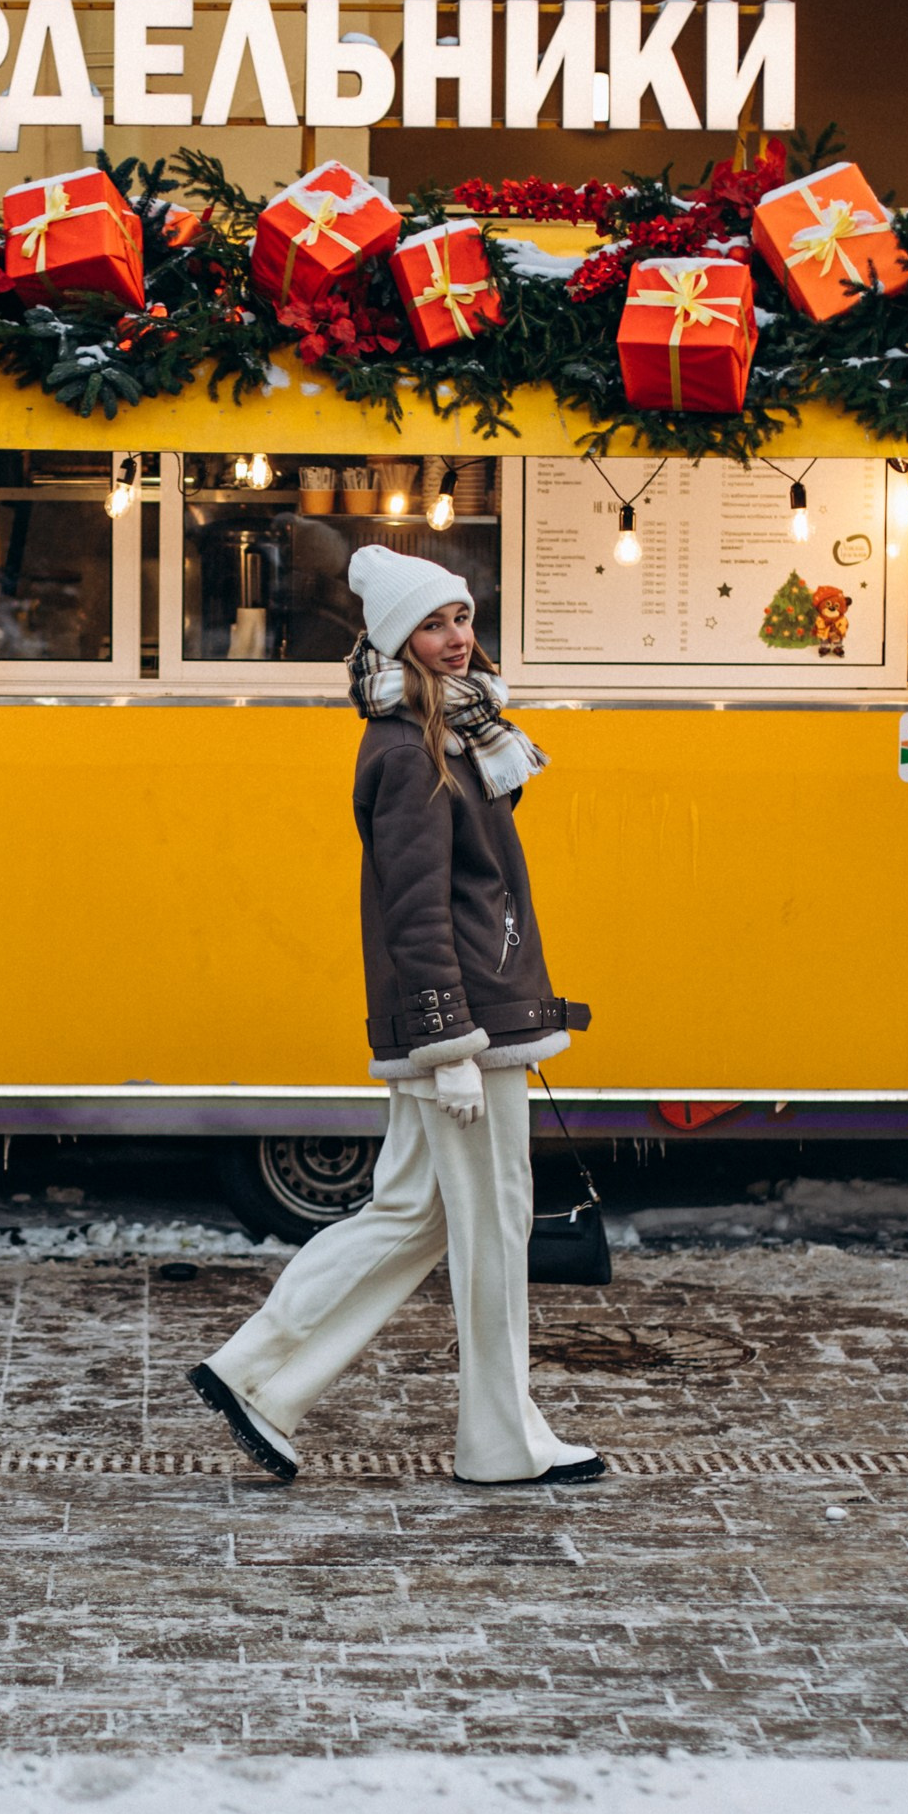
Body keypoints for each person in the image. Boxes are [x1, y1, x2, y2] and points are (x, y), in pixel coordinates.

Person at [190, 544, 602, 1488]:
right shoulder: (411, 750)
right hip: (469, 1027)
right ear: (395, 640)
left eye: (461, 617)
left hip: (471, 1015)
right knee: (496, 1227)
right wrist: (448, 1043)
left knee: (413, 1212)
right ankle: (500, 1439)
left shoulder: (453, 731)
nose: (456, 640)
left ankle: (256, 1374)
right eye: (433, 625)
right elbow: (413, 913)